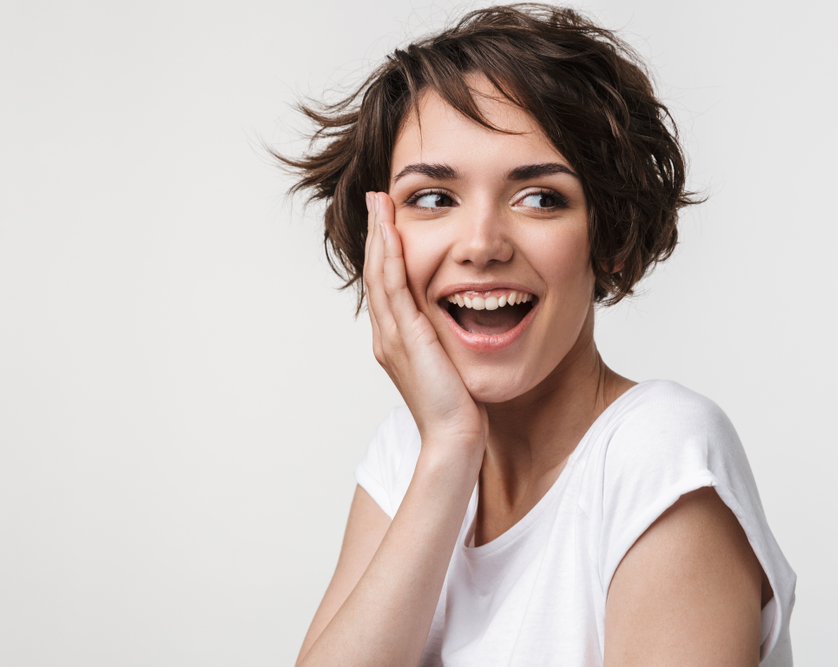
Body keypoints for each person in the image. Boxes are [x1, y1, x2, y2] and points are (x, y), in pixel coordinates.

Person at [281, 4, 795, 666]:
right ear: (385, 237)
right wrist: (449, 449)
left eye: (540, 198)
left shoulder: (660, 454)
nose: (481, 244)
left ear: (609, 238)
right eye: (434, 198)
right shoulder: (411, 449)